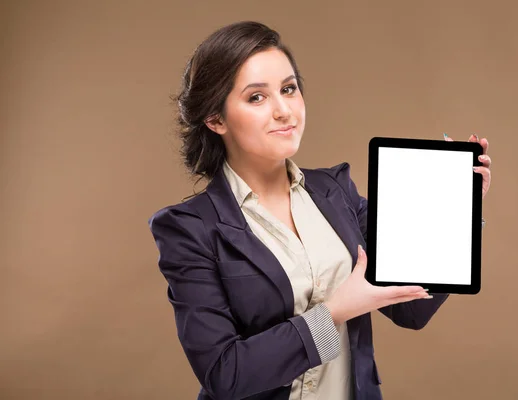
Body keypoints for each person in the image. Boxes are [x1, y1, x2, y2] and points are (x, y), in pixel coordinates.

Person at [148, 21, 492, 400]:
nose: (284, 110)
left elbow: (411, 311)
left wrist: (458, 208)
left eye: (289, 89)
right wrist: (334, 313)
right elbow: (225, 374)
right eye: (256, 98)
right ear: (216, 119)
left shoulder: (336, 191)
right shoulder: (189, 229)